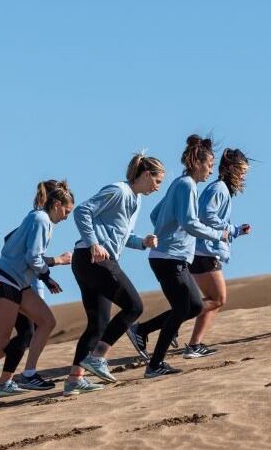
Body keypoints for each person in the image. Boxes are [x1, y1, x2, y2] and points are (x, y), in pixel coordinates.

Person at [127, 135, 228, 377]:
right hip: (169, 258)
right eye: (209, 165)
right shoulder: (187, 186)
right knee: (188, 307)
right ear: (196, 162)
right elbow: (190, 222)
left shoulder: (179, 184)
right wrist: (217, 234)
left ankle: (142, 332)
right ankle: (154, 363)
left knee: (189, 307)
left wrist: (166, 231)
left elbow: (156, 214)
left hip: (169, 257)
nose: (211, 171)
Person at [0, 180, 74, 407]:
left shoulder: (38, 219)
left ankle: (28, 374)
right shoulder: (40, 219)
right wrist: (47, 276)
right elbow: (33, 257)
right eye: (67, 211)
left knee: (47, 321)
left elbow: (18, 247)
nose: (67, 216)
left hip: (19, 283)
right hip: (5, 282)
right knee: (1, 339)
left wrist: (49, 269)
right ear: (56, 204)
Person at [67, 153, 164, 393]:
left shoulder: (135, 199)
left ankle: (73, 380)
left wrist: (143, 242)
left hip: (90, 261)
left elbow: (123, 235)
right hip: (93, 259)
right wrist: (93, 243)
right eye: (157, 181)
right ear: (145, 175)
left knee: (98, 324)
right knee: (134, 307)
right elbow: (82, 212)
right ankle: (98, 358)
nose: (157, 187)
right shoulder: (119, 191)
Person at [185, 148, 252, 357]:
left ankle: (195, 345)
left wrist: (236, 231)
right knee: (218, 299)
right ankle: (162, 323)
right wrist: (232, 229)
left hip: (206, 251)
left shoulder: (221, 189)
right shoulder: (219, 189)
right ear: (231, 168)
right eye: (241, 170)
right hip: (202, 251)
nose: (243, 175)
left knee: (213, 300)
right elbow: (205, 216)